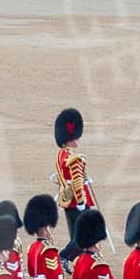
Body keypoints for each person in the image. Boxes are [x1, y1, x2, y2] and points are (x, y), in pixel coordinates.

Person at [54, 107, 96, 253]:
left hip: (66, 197)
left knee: (75, 234)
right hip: (77, 198)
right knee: (84, 234)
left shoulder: (61, 155)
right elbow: (77, 181)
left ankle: (76, 261)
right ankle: (64, 257)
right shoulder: (74, 158)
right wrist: (81, 202)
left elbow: (61, 176)